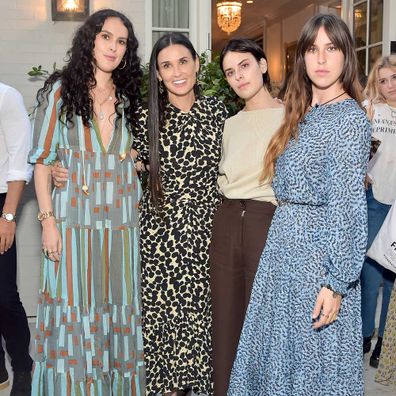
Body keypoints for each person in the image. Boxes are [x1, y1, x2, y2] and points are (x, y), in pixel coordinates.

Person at [228, 14, 371, 395]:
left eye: (331, 48)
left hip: (316, 261)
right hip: (283, 254)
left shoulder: (349, 120)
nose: (321, 59)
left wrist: (336, 283)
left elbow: (349, 207)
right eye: (312, 49)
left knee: (311, 364)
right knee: (281, 360)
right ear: (302, 59)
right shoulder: (304, 113)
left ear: (346, 57)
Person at [28, 9, 145, 395]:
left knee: (118, 314)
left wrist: (136, 162)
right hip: (73, 225)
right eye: (106, 37)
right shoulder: (62, 91)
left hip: (122, 228)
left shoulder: (131, 97)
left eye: (122, 41)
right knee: (74, 312)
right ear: (90, 40)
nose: (113, 47)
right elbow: (43, 164)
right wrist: (47, 222)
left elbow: (145, 153)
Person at [132, 33, 227, 395]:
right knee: (165, 319)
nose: (176, 72)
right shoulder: (145, 117)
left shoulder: (218, 112)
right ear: (157, 74)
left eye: (183, 61)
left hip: (208, 232)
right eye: (166, 65)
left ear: (197, 64)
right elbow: (120, 163)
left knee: (203, 317)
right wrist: (63, 169)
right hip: (160, 236)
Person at [209, 38, 283, 396]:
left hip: (266, 219)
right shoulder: (229, 124)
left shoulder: (293, 115)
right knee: (225, 317)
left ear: (263, 66)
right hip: (226, 220)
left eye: (245, 66)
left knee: (266, 317)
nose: (238, 76)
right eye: (229, 72)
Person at [361, 54, 396, 368]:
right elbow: (356, 146)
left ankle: (384, 341)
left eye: (394, 78)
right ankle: (364, 333)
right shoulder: (371, 109)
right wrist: (362, 170)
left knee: (393, 276)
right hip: (374, 200)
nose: (388, 86)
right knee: (371, 272)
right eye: (382, 80)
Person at [0, 81, 33, 395]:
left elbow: (19, 163)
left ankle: (23, 365)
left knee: (4, 296)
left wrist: (8, 217)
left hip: (1, 203)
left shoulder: (7, 97)